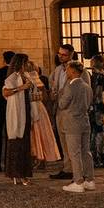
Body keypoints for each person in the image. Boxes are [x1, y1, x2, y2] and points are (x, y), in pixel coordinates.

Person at [49, 44, 91, 180]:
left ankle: (78, 174)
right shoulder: (57, 70)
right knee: (63, 140)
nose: (60, 57)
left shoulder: (81, 72)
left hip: (73, 111)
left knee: (77, 146)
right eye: (59, 54)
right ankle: (68, 168)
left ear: (71, 54)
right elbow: (54, 86)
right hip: (60, 110)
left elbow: (85, 92)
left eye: (64, 55)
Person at [60, 61, 96, 193]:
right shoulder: (87, 86)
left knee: (74, 153)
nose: (66, 72)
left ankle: (78, 181)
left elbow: (62, 104)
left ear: (74, 71)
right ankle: (90, 180)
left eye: (68, 70)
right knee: (86, 152)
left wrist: (60, 94)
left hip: (72, 123)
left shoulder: (70, 87)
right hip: (85, 122)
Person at [3, 53, 34, 186]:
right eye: (26, 62)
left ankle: (24, 172)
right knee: (16, 142)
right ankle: (16, 173)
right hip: (16, 112)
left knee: (25, 143)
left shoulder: (26, 76)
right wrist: (22, 88)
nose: (27, 65)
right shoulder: (12, 77)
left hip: (26, 110)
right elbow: (6, 92)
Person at [26, 60, 60, 167]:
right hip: (41, 109)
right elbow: (45, 97)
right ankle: (42, 159)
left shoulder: (31, 79)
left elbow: (43, 96)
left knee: (35, 134)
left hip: (35, 109)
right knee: (42, 134)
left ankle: (36, 158)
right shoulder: (37, 78)